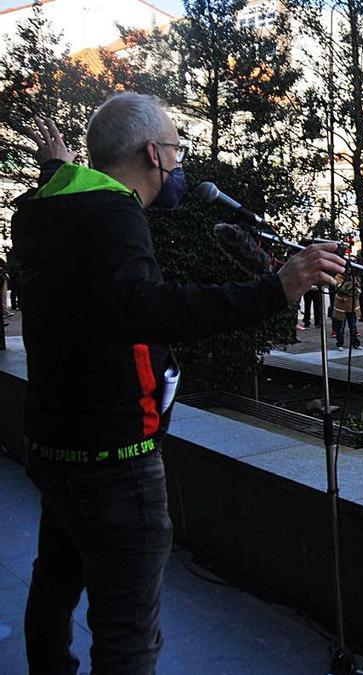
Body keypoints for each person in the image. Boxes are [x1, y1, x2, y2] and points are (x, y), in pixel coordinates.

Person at [12, 98, 344, 674]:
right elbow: (143, 308)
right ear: (153, 154)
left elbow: (91, 291)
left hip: (55, 445)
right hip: (115, 459)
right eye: (178, 150)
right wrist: (275, 289)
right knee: (127, 638)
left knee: (55, 583)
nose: (181, 163)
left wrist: (54, 170)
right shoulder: (114, 215)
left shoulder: (50, 211)